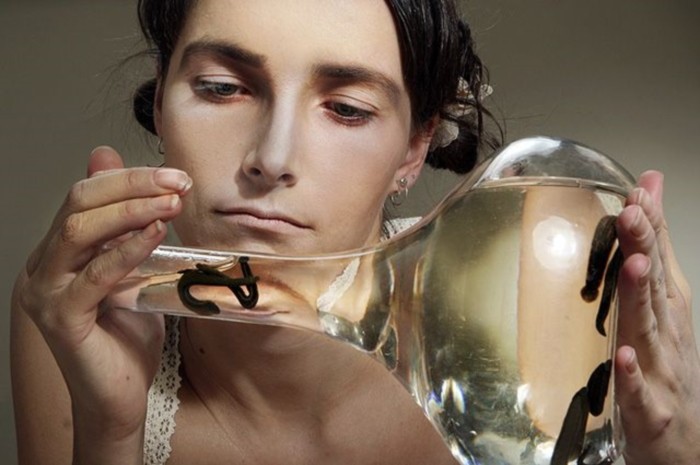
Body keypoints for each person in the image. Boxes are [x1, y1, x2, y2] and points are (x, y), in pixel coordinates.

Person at [9, 0, 699, 464]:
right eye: (221, 87)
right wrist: (111, 431)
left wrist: (674, 454)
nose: (272, 157)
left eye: (345, 107)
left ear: (415, 148)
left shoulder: (540, 312)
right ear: (161, 100)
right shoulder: (75, 311)